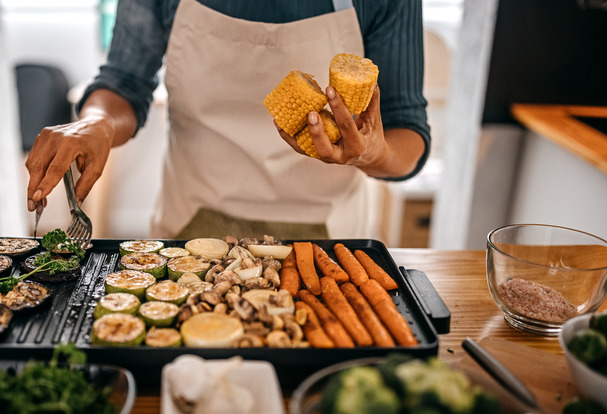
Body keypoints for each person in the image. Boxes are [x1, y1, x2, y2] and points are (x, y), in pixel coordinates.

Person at [25, 0, 430, 240]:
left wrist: (372, 153)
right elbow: (124, 81)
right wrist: (97, 121)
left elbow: (407, 133)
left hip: (328, 240)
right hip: (188, 228)